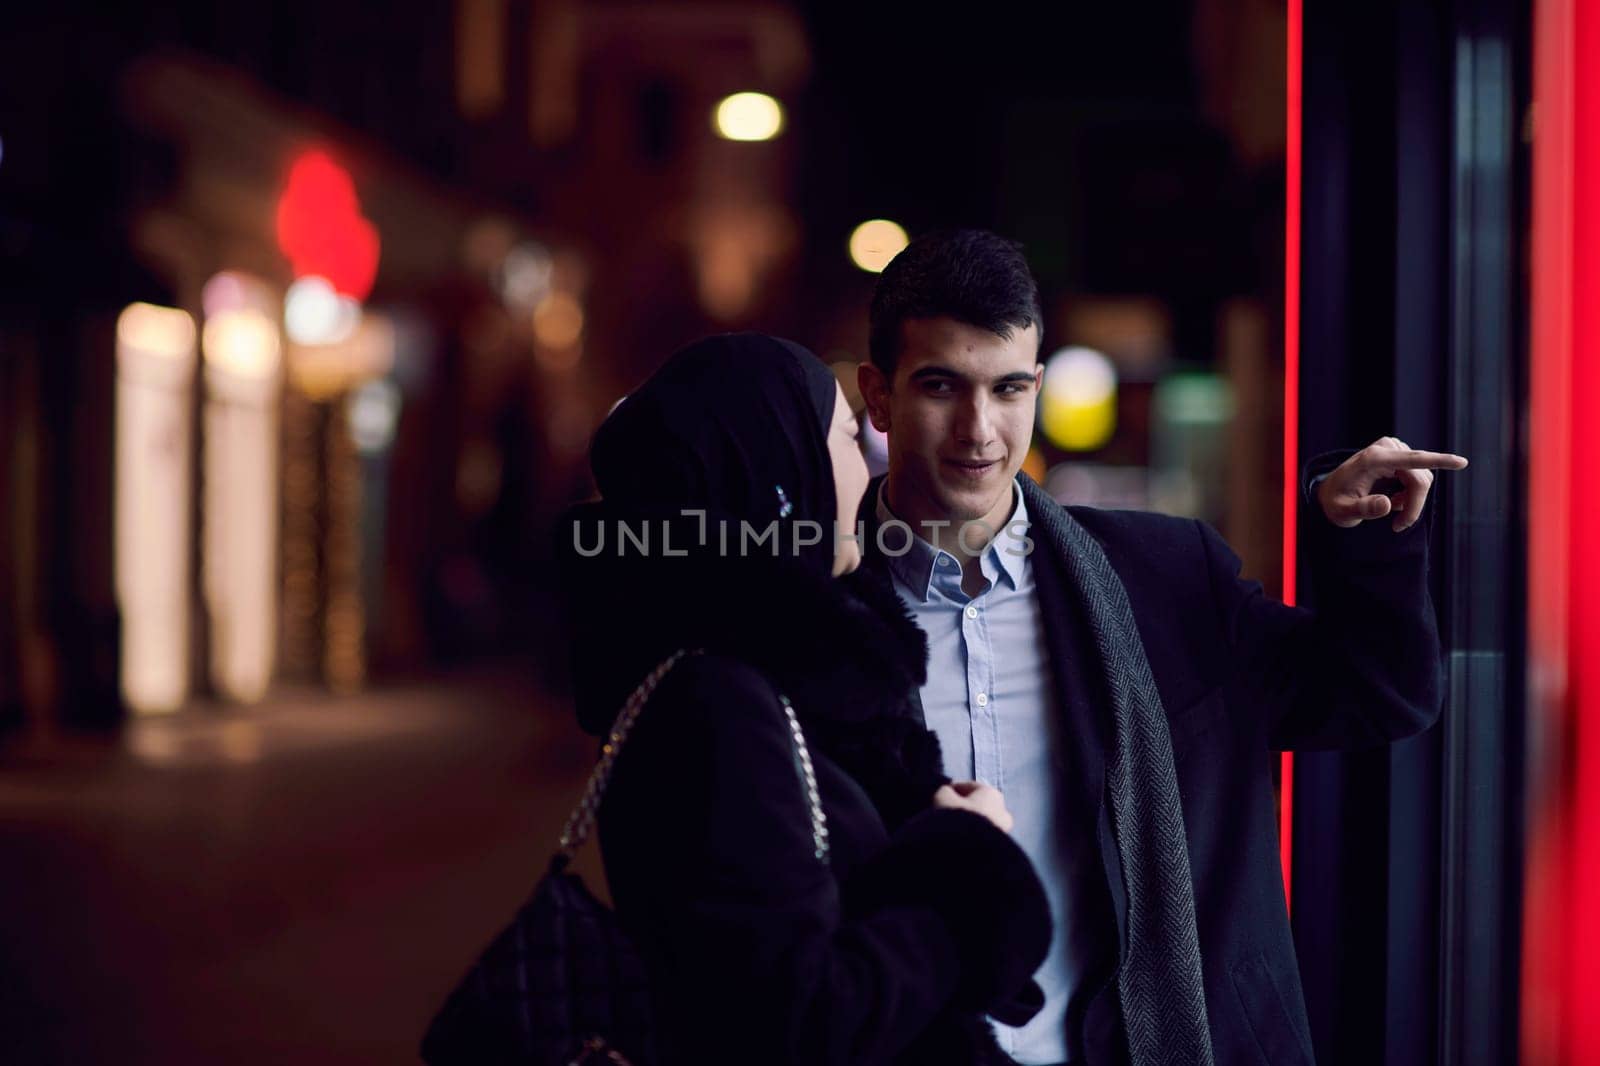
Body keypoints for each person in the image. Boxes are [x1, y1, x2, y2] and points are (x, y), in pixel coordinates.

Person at [854, 230, 1468, 1066]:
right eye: (939, 387)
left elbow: (1377, 693)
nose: (978, 429)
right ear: (878, 399)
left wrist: (1361, 541)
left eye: (1007, 388)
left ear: (1036, 385)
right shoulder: (814, 613)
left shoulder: (1164, 577)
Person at [559, 332, 1053, 1065]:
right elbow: (795, 1021)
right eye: (850, 437)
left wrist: (917, 828)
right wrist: (963, 867)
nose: (865, 467)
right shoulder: (716, 710)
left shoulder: (761, 686)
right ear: (780, 476)